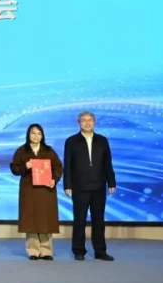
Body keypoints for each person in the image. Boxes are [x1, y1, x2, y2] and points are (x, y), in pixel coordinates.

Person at [64, 111, 116, 261]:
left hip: (99, 185)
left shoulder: (102, 140)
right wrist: (68, 185)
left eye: (90, 120)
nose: (87, 123)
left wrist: (111, 181)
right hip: (79, 186)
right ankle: (79, 251)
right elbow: (68, 164)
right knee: (79, 219)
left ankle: (100, 251)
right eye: (84, 120)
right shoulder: (71, 141)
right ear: (78, 123)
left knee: (98, 220)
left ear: (94, 122)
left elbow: (108, 162)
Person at [10, 124, 63, 260]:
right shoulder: (22, 150)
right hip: (29, 190)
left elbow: (58, 167)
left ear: (42, 135)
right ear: (28, 134)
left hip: (46, 190)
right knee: (31, 219)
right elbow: (14, 169)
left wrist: (54, 179)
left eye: (39, 133)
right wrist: (26, 166)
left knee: (46, 219)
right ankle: (33, 250)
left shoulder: (49, 150)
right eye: (33, 133)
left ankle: (46, 251)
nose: (36, 136)